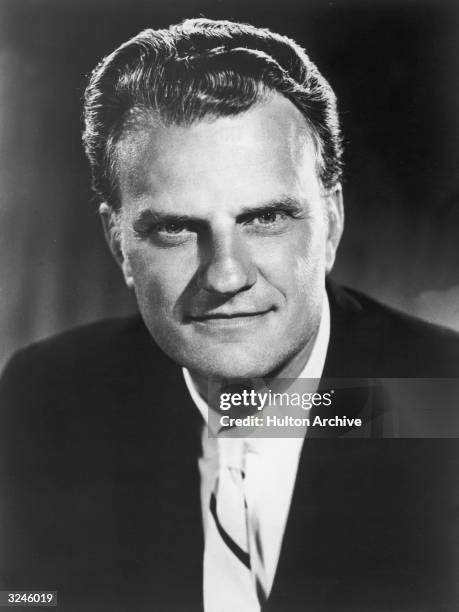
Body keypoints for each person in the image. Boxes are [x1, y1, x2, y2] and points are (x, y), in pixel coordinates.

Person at [1, 18, 458, 612]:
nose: (225, 275)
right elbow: (26, 598)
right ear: (120, 247)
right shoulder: (46, 397)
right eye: (175, 228)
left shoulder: (443, 398)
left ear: (332, 225)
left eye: (264, 219)